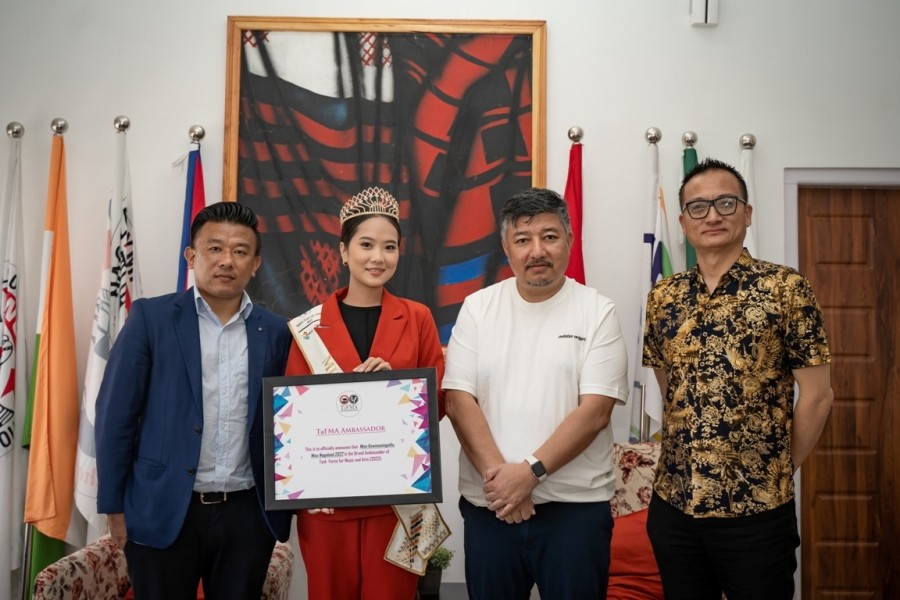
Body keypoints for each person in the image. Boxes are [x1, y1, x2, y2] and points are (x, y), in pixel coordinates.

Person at [642, 158, 834, 600]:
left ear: (747, 213)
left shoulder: (786, 289)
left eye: (725, 203)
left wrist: (778, 469)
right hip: (675, 507)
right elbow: (668, 387)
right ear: (684, 221)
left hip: (757, 510)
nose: (712, 215)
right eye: (698, 207)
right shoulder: (664, 297)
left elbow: (818, 397)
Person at [96, 202, 294, 599]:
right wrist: (114, 508)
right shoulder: (151, 320)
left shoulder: (274, 331)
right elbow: (115, 417)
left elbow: (292, 419)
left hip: (246, 513)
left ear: (255, 264)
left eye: (240, 251)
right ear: (192, 256)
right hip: (165, 508)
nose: (227, 261)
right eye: (214, 249)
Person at [443, 187, 630, 600]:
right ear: (506, 247)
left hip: (575, 513)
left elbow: (596, 411)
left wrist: (529, 474)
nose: (536, 251)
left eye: (549, 236)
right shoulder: (477, 308)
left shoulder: (597, 310)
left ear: (568, 240)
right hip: (491, 509)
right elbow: (458, 401)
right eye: (523, 239)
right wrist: (504, 484)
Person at [284, 187, 446, 600]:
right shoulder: (309, 328)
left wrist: (395, 389)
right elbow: (293, 417)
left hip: (399, 505)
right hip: (328, 505)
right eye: (366, 245)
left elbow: (439, 400)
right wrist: (304, 485)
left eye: (389, 247)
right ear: (343, 251)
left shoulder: (418, 318)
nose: (378, 257)